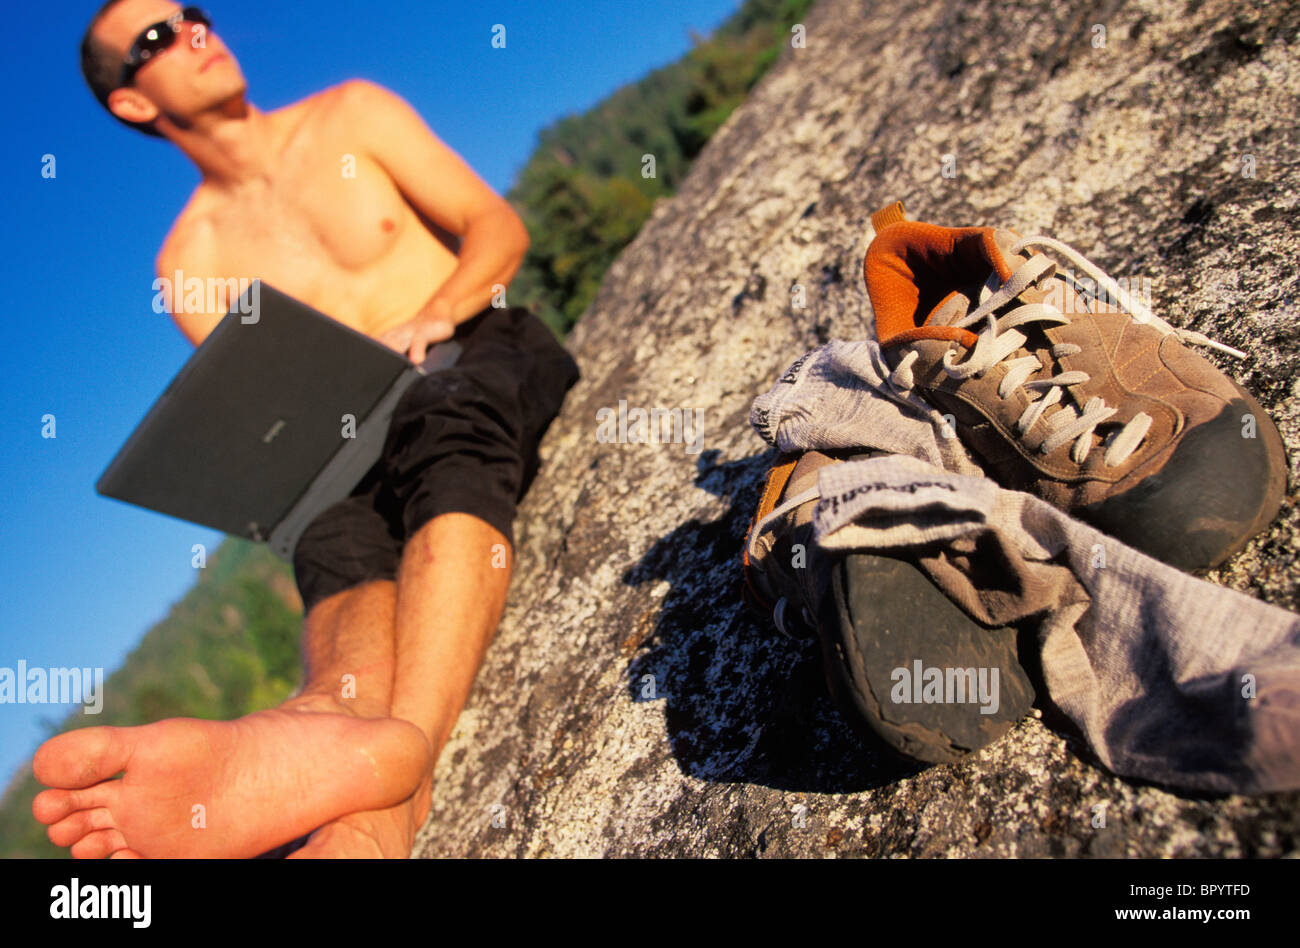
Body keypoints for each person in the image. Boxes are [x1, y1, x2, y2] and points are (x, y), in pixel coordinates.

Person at [30, 0, 578, 858]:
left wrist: (434, 314)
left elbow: (496, 227)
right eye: (158, 38)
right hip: (354, 436)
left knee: (443, 419)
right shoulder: (189, 263)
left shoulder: (350, 114)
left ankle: (400, 780)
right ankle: (322, 716)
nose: (195, 33)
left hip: (472, 344)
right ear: (133, 102)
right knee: (327, 530)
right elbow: (276, 409)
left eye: (192, 14)